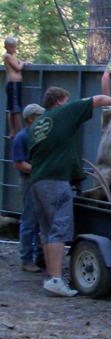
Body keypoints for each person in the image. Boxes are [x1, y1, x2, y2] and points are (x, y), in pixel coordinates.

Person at [29, 86, 111, 297]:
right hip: (56, 181)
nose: (68, 102)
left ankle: (51, 276)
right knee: (59, 227)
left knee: (47, 230)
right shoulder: (64, 112)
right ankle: (57, 279)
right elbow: (99, 98)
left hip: (38, 181)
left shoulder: (38, 124)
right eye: (66, 99)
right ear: (58, 101)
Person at [12, 103, 45, 272]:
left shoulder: (39, 136)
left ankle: (40, 257)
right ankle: (26, 259)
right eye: (40, 115)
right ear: (31, 118)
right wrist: (39, 169)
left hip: (41, 181)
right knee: (30, 221)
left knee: (42, 221)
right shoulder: (22, 138)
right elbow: (18, 164)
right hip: (29, 182)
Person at [3, 36, 31, 139]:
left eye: (15, 47)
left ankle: (12, 131)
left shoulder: (12, 56)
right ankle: (20, 131)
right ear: (6, 47)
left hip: (16, 84)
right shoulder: (7, 56)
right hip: (13, 84)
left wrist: (25, 62)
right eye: (12, 47)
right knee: (15, 109)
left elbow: (19, 62)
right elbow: (18, 67)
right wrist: (23, 63)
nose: (14, 49)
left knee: (12, 108)